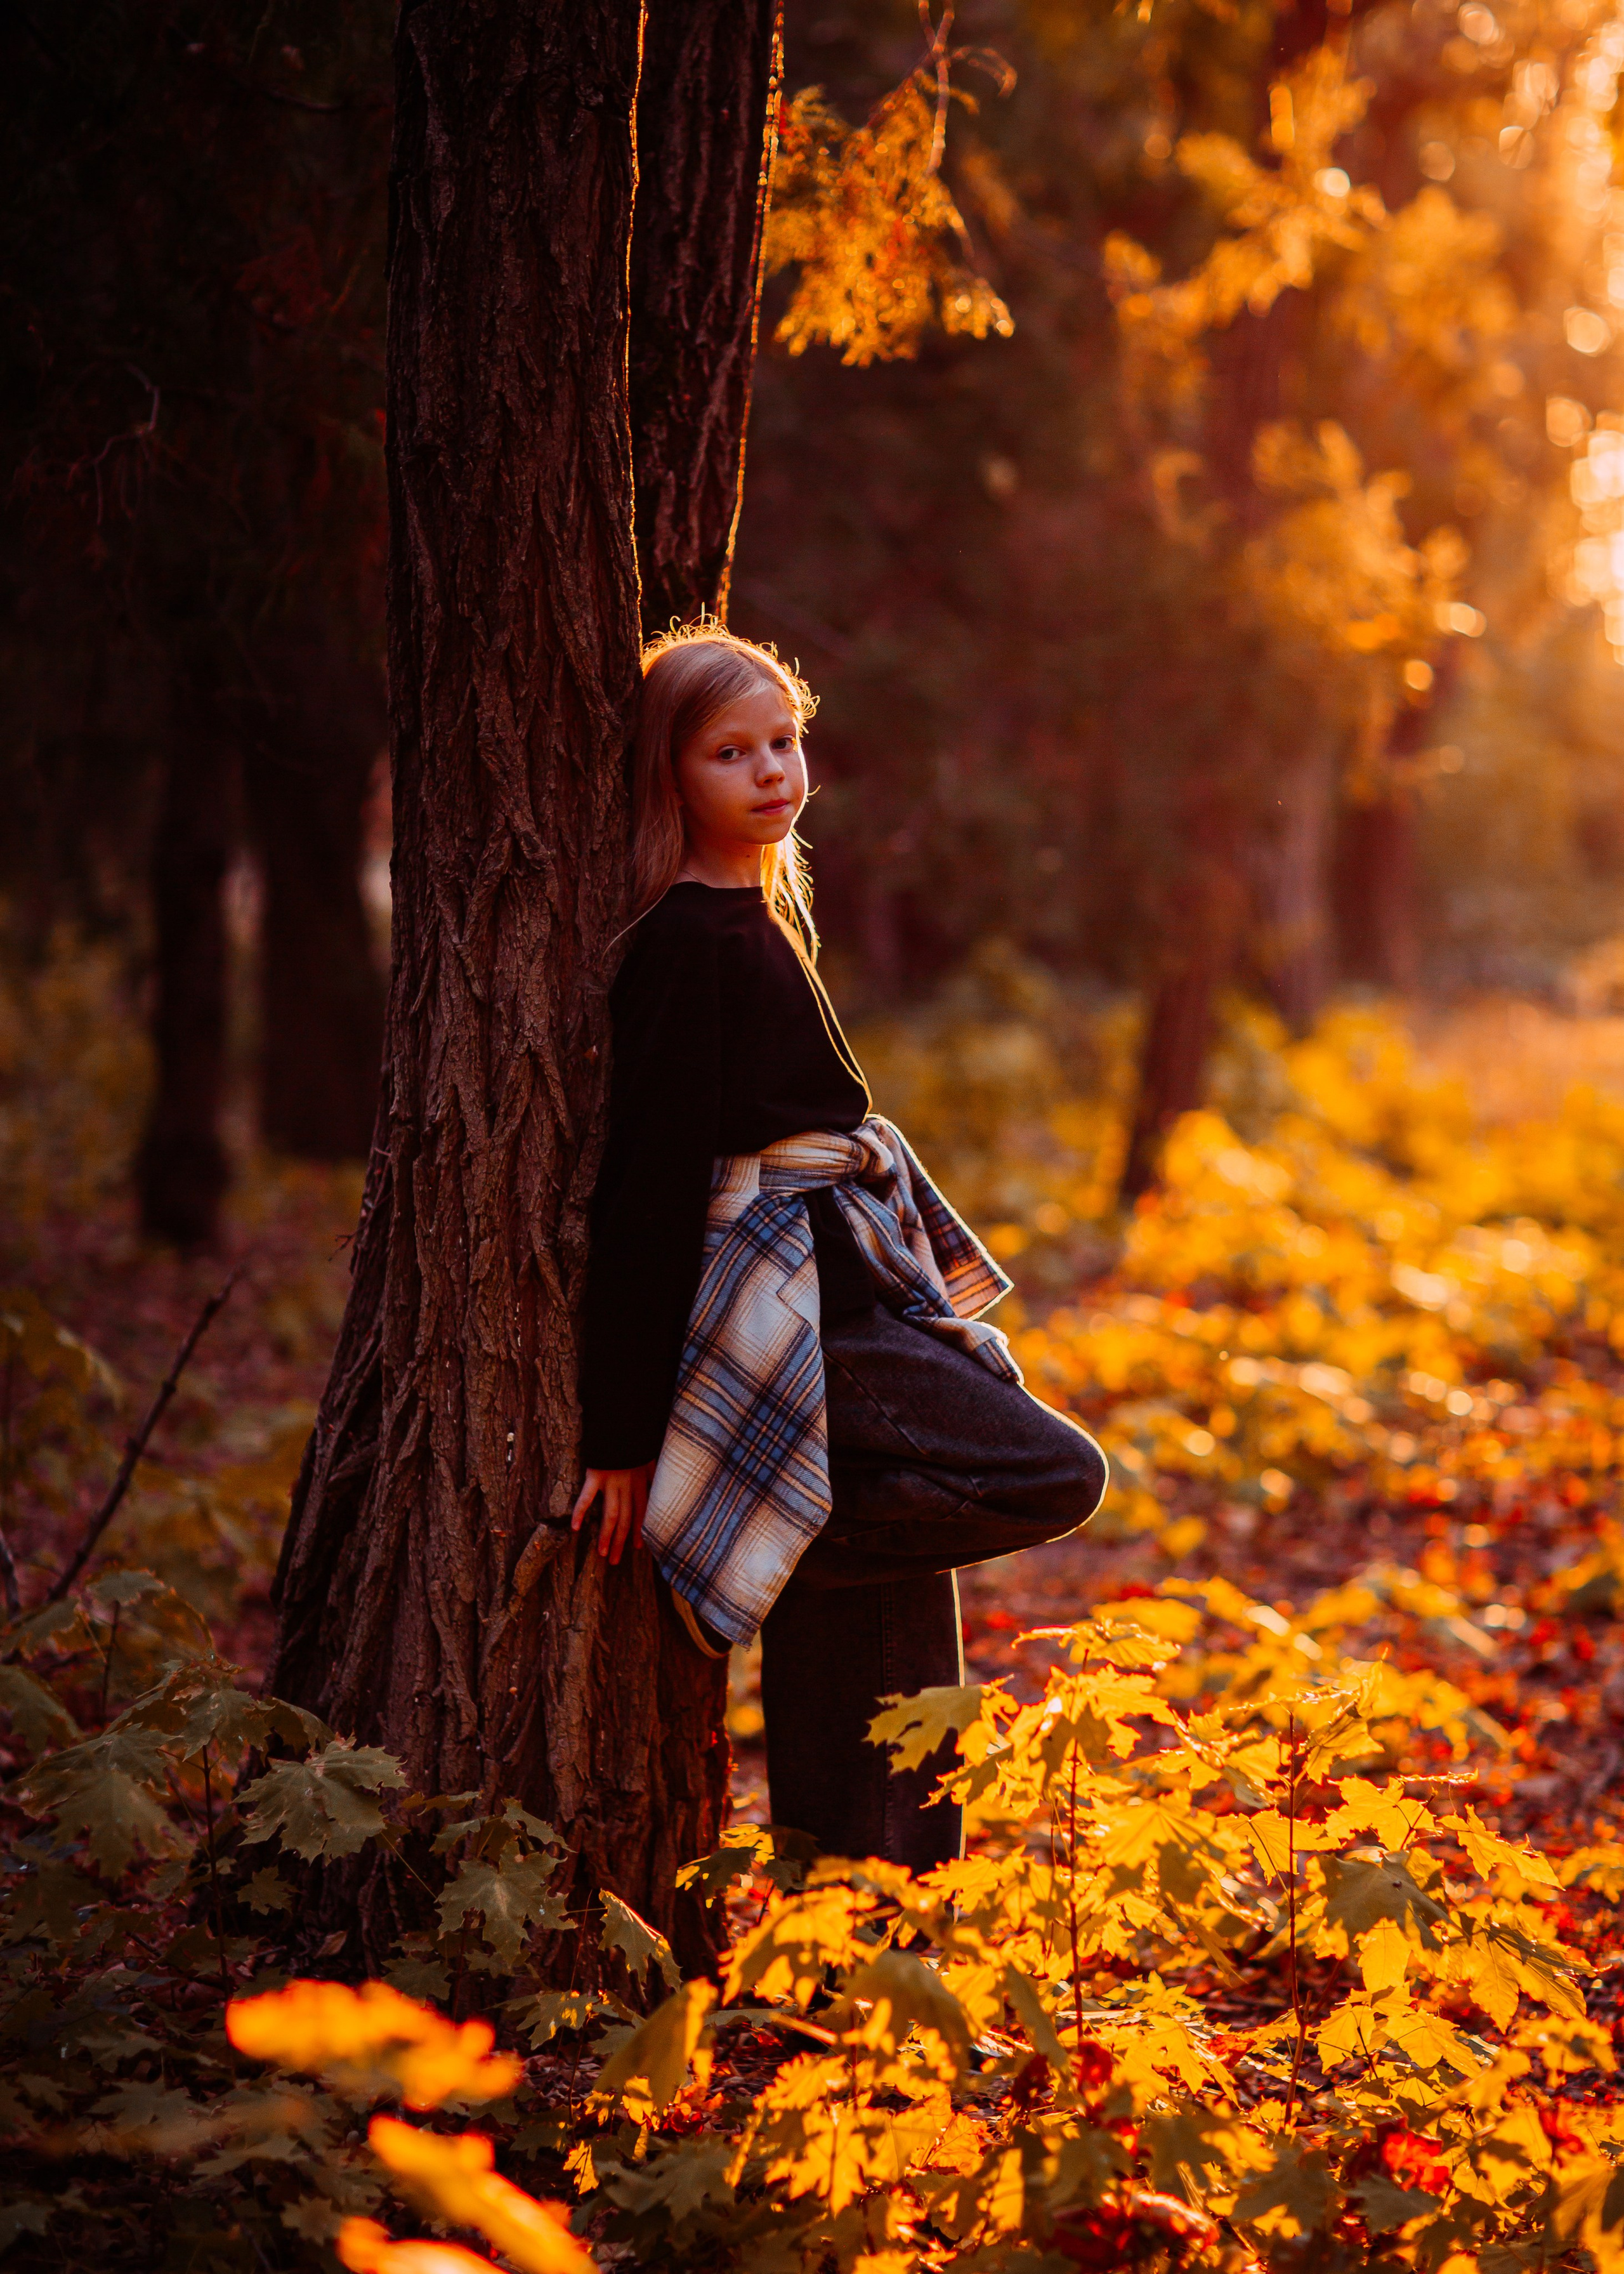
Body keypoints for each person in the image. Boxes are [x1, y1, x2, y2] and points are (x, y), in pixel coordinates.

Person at [572, 624, 1107, 1870]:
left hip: (846, 1283)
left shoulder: (753, 919)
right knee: (1051, 1471)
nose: (770, 772)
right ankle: (787, 1549)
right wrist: (619, 1435)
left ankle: (873, 1910)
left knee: (893, 1589)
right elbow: (644, 1193)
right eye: (729, 753)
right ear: (668, 775)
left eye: (783, 742)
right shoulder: (682, 945)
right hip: (796, 1307)